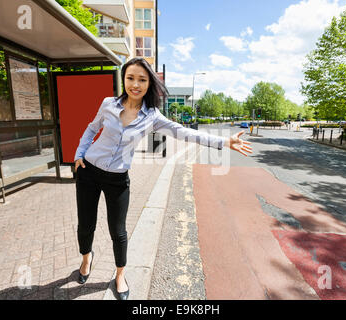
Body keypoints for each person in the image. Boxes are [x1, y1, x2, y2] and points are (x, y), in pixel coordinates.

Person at [74, 57, 252, 300]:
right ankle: (86, 258)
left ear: (149, 84)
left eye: (141, 79)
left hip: (117, 179)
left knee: (118, 231)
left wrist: (223, 141)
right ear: (123, 79)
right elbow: (92, 128)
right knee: (86, 224)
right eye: (130, 78)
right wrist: (79, 154)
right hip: (89, 172)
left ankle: (119, 275)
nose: (135, 84)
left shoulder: (152, 115)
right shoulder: (108, 104)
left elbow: (183, 132)